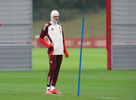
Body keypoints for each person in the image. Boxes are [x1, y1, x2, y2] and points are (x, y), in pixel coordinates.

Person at [39, 10, 69, 94]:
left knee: (57, 70)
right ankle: (47, 88)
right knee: (52, 69)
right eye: (55, 16)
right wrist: (48, 46)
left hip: (60, 52)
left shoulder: (60, 26)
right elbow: (41, 38)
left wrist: (65, 52)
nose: (57, 18)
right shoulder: (47, 26)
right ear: (52, 16)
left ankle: (53, 88)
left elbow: (62, 40)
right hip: (53, 51)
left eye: (58, 16)